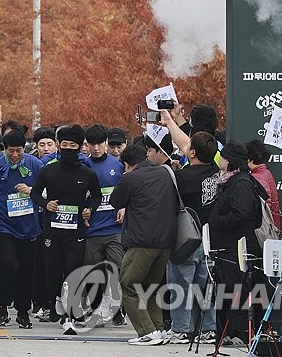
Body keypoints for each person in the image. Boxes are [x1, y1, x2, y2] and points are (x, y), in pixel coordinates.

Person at [31, 124, 101, 334]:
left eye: (73, 145)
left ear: (80, 147)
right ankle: (57, 298)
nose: (68, 148)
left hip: (76, 231)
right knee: (53, 272)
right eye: (65, 144)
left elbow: (96, 196)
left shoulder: (87, 173)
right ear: (58, 145)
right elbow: (35, 194)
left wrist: (90, 209)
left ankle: (69, 316)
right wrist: (46, 205)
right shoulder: (48, 170)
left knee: (73, 269)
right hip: (52, 230)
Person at [109, 141, 177, 346]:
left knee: (128, 285)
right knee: (151, 286)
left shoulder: (130, 178)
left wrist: (125, 177)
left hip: (141, 240)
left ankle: (147, 332)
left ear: (127, 164)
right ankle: (158, 329)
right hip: (166, 240)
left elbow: (115, 201)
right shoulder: (164, 173)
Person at [163, 114, 221, 344]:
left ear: (193, 153)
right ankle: (208, 328)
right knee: (205, 286)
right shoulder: (216, 170)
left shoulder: (181, 178)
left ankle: (180, 329)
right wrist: (170, 122)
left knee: (180, 285)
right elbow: (187, 144)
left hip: (186, 238)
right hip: (209, 238)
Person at [211, 140, 269, 346]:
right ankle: (225, 332)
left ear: (229, 161)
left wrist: (219, 222)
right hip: (230, 247)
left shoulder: (242, 182)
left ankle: (235, 331)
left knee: (236, 291)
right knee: (228, 291)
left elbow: (242, 213)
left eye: (223, 157)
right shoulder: (233, 180)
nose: (220, 160)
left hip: (238, 248)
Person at [0, 129, 42, 328]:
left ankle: (23, 311)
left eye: (19, 150)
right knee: (9, 265)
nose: (15, 155)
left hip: (29, 227)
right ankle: (2, 307)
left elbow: (47, 190)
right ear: (4, 149)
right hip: (4, 226)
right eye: (11, 151)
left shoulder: (36, 165)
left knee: (27, 270)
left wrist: (31, 191)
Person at [82, 124, 124, 326]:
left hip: (114, 228)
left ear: (106, 143)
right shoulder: (83, 166)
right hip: (92, 230)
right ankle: (97, 307)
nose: (96, 148)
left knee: (117, 268)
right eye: (92, 144)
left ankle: (114, 306)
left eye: (100, 143)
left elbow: (126, 191)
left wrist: (124, 207)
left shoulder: (118, 165)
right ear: (87, 145)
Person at [246, 140, 282, 231]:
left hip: (263, 229)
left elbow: (263, 208)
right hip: (271, 227)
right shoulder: (266, 173)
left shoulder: (257, 178)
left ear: (250, 158)